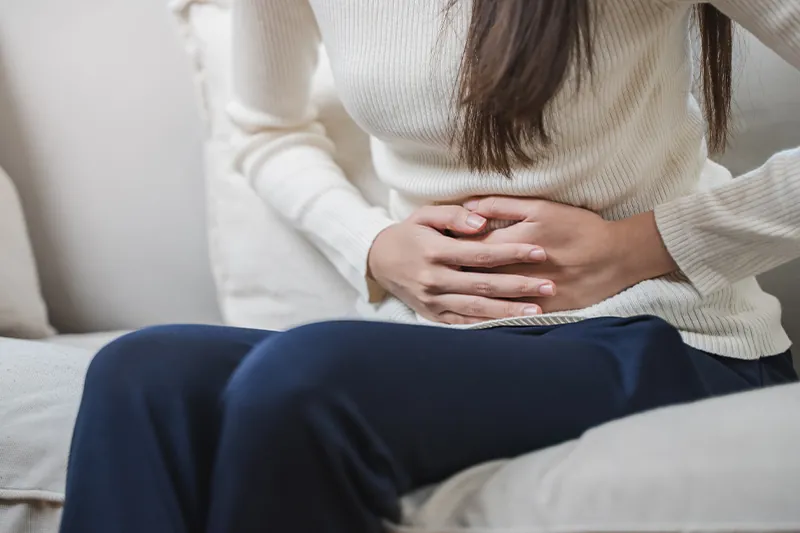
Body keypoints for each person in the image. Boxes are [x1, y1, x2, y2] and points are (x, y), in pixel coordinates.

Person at [59, 1, 799, 532]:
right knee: (140, 372)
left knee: (305, 379)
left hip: (662, 335)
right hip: (449, 345)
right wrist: (372, 245)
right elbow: (266, 128)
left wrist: (651, 243)